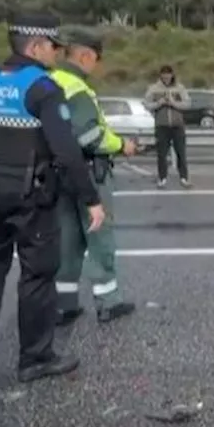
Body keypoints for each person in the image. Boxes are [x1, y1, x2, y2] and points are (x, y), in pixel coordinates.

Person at [0, 14, 105, 391]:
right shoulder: (42, 88)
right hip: (31, 197)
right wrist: (91, 198)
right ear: (36, 46)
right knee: (37, 277)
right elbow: (67, 150)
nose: (57, 54)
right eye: (54, 47)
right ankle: (35, 358)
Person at [50, 26, 139, 325]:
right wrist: (122, 145)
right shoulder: (78, 88)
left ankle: (64, 305)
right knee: (100, 237)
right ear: (86, 55)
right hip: (89, 173)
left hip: (58, 174)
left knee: (67, 240)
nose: (96, 65)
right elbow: (90, 136)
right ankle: (108, 302)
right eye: (96, 59)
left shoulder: (49, 81)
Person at [143, 64, 190, 188]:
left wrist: (173, 103)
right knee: (162, 154)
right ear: (161, 75)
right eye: (164, 74)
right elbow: (147, 104)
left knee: (181, 153)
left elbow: (187, 104)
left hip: (177, 125)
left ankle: (184, 178)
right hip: (161, 126)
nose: (166, 76)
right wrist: (160, 103)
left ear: (172, 74)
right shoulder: (153, 88)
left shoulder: (180, 88)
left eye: (168, 73)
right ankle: (162, 178)